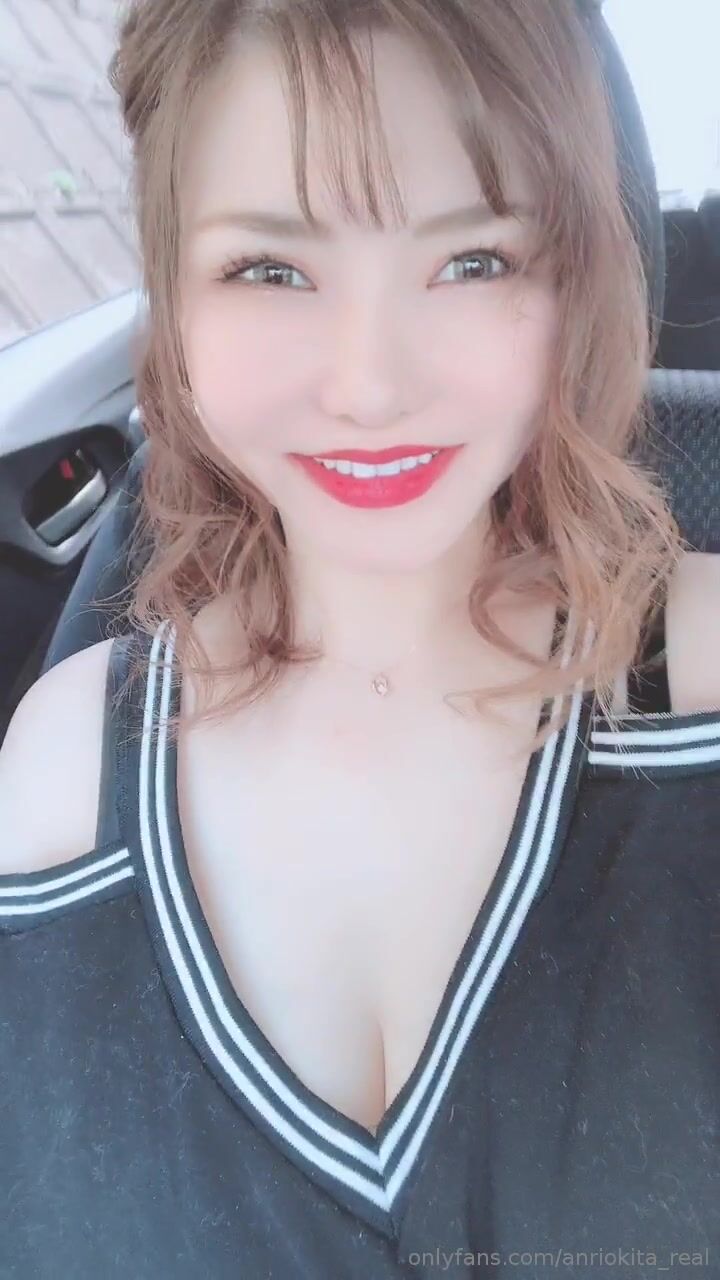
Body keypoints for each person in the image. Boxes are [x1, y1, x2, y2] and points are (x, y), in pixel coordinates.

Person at [0, 0, 718, 1275]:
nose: (371, 385)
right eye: (271, 270)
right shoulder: (60, 773)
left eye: (475, 260)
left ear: (575, 277)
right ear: (173, 294)